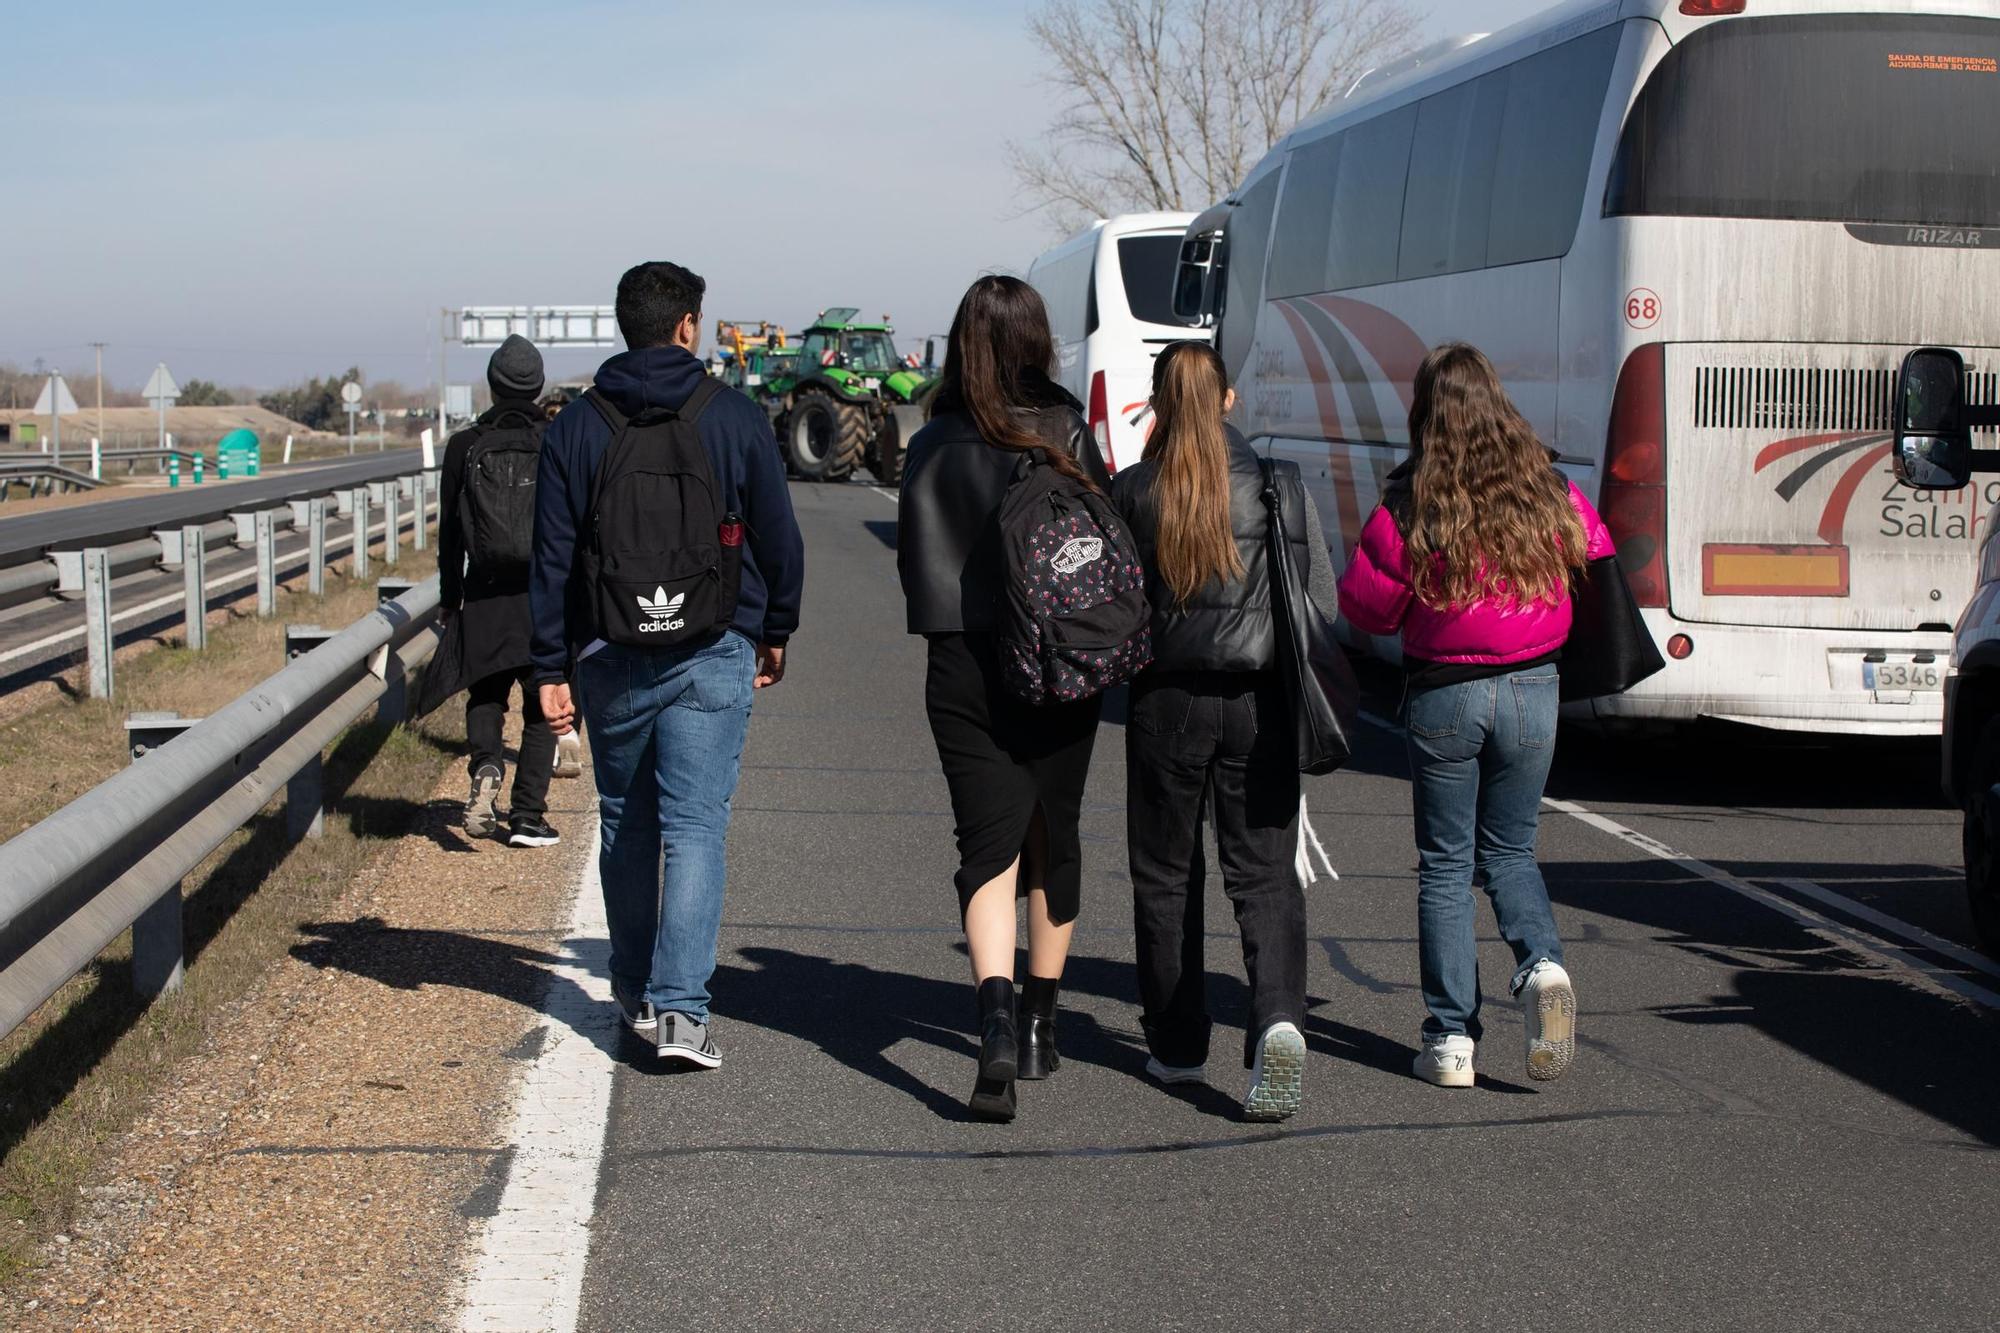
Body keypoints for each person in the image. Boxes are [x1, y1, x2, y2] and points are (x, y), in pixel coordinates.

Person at [529, 261, 805, 1069]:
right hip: (713, 644)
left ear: (626, 326)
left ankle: (628, 986)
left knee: (626, 819)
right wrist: (775, 626)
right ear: (687, 325)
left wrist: (549, 665)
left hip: (609, 651)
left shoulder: (577, 427)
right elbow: (779, 537)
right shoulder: (734, 416)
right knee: (694, 825)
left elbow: (551, 558)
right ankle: (682, 1014)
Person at [1337, 342, 1612, 1088]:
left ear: (1426, 410)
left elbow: (1368, 604)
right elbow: (1597, 548)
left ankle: (1451, 1038)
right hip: (1534, 689)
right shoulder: (1546, 487)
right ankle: (1543, 963)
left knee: (1447, 866)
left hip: (1445, 695)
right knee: (1512, 851)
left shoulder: (1413, 499)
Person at [898, 274, 1110, 1122]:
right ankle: (1039, 1026)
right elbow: (1100, 547)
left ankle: (989, 1013)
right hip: (1057, 663)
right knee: (1052, 832)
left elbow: (912, 563)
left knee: (984, 844)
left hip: (959, 662)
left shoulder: (930, 438)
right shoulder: (1062, 427)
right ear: (1036, 340)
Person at [1110, 341, 1337, 1121]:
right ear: (1230, 400)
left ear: (1159, 404)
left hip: (1165, 700)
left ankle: (1176, 1043)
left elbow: (1113, 609)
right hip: (1259, 701)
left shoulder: (1136, 488)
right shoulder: (1278, 487)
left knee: (1167, 876)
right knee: (1264, 874)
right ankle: (1277, 1015)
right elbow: (1321, 602)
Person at [439, 334, 559, 848]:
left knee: (485, 692)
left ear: (491, 386)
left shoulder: (465, 446)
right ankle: (528, 817)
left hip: (484, 591)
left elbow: (449, 529)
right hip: (543, 595)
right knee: (540, 705)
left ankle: (486, 765)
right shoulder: (555, 441)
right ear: (537, 387)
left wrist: (450, 597)